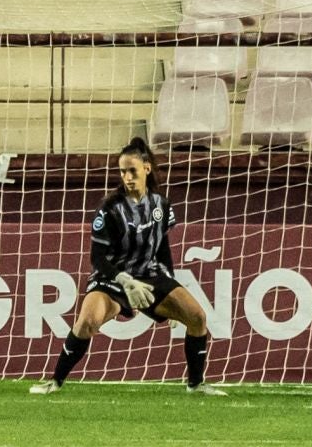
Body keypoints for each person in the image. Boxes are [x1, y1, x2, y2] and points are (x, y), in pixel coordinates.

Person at [31, 138, 226, 396]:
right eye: (123, 171)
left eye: (132, 170)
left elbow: (163, 249)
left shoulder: (162, 206)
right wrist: (124, 280)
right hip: (113, 279)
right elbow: (98, 258)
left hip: (149, 276)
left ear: (146, 168)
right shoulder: (109, 209)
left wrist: (170, 286)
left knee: (198, 317)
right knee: (88, 322)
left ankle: (196, 384)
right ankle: (55, 381)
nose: (127, 176)